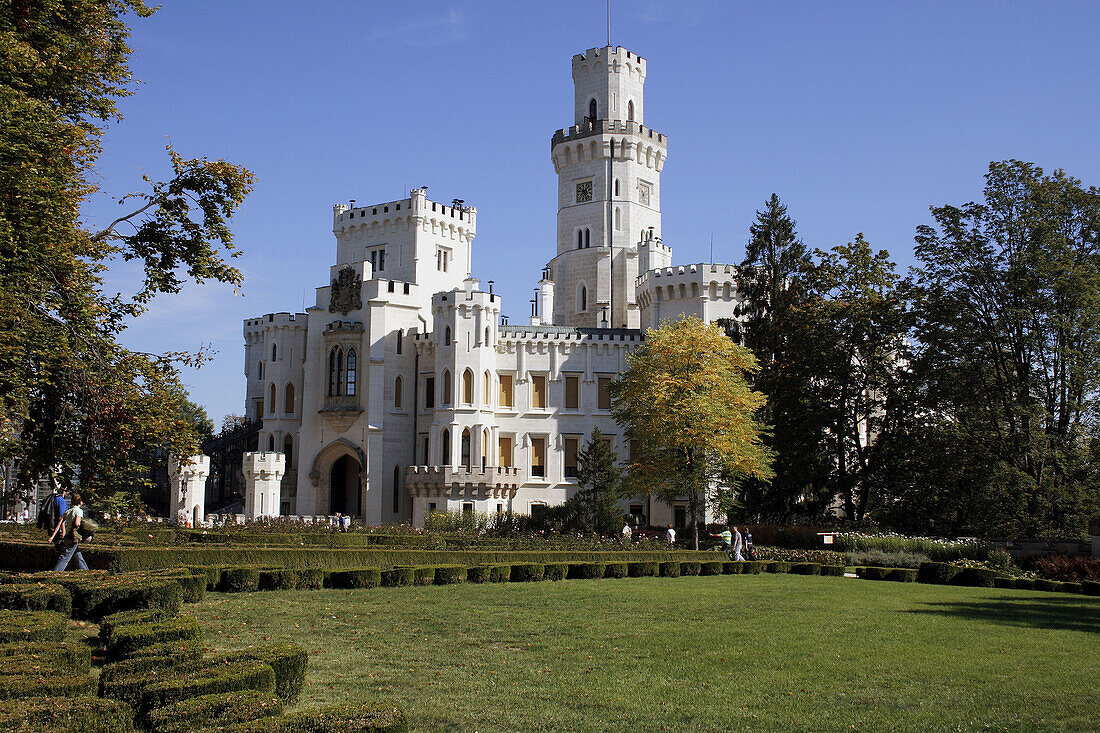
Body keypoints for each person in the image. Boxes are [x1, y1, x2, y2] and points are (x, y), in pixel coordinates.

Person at [49, 493, 89, 571]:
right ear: (80, 502)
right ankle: (55, 573)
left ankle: (85, 571)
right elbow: (77, 523)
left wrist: (52, 537)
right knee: (65, 557)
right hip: (73, 536)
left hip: (67, 536)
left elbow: (59, 525)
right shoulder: (79, 511)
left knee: (77, 555)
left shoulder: (68, 511)